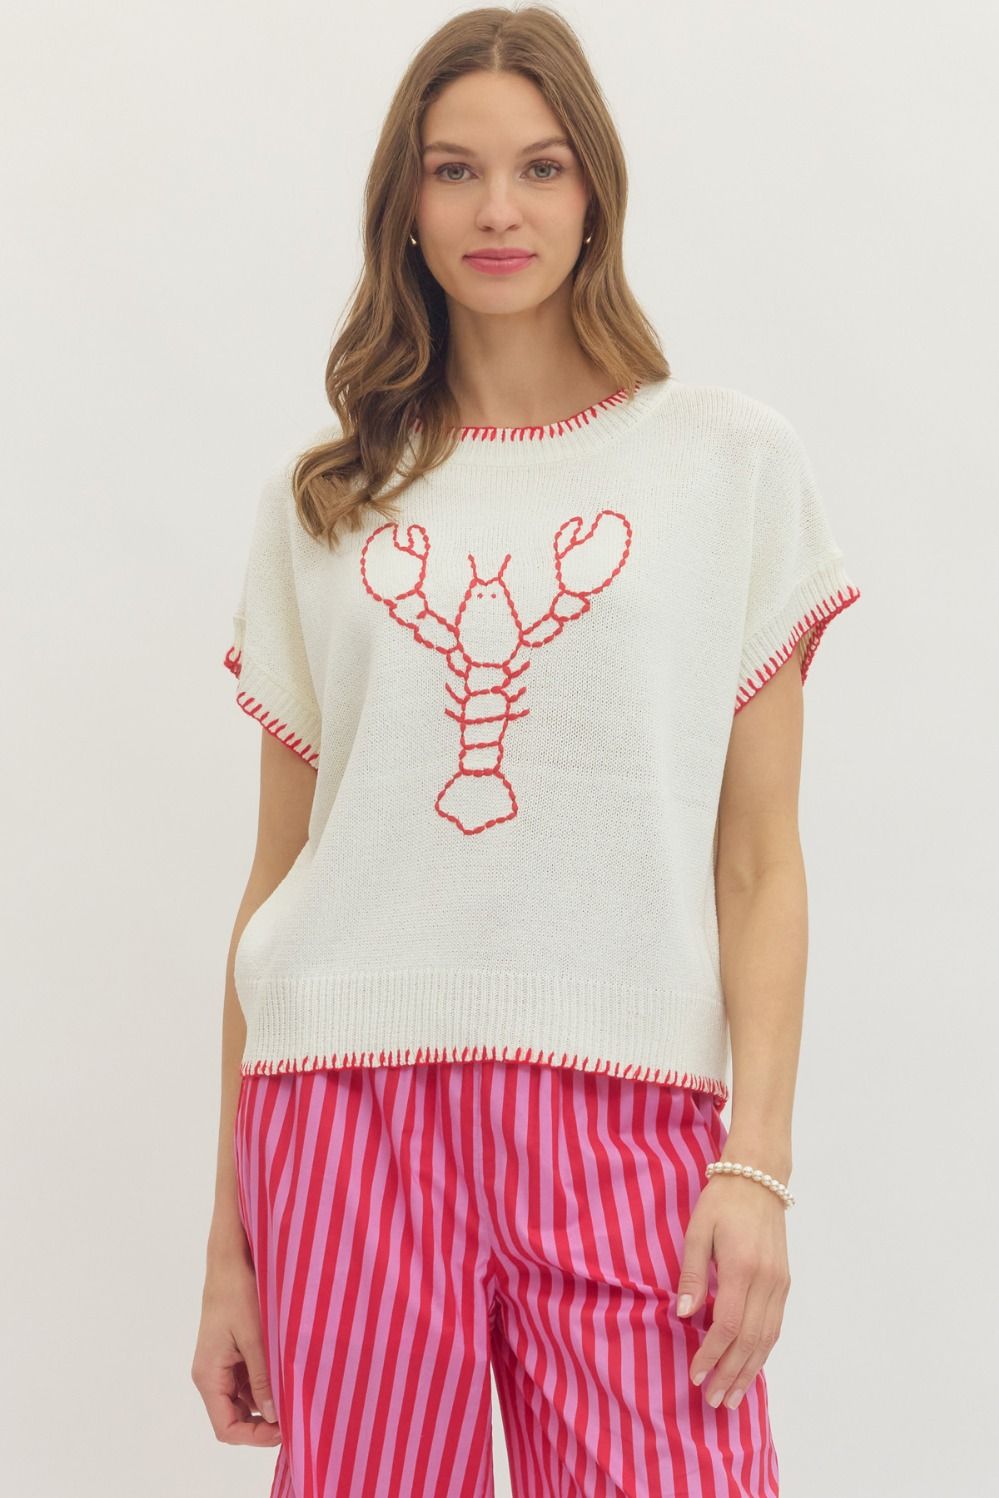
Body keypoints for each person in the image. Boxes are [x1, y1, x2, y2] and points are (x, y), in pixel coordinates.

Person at [191, 7, 861, 1495]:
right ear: (406, 205)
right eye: (456, 170)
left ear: (594, 193)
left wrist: (757, 1162)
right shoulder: (323, 501)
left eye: (541, 167)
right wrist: (228, 1246)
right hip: (343, 1110)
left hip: (626, 1109)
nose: (500, 209)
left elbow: (761, 860)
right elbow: (277, 876)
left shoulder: (725, 465)